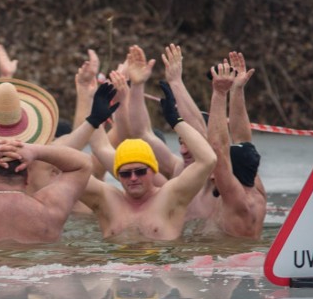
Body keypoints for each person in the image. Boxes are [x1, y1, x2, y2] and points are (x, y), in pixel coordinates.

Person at [77, 82, 216, 241]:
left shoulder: (171, 196)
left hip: (161, 264)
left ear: (153, 171)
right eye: (125, 174)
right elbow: (68, 167)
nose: (133, 178)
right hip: (115, 264)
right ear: (117, 175)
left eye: (140, 171)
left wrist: (176, 121)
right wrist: (91, 117)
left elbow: (208, 159)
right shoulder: (106, 199)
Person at [164, 47, 267, 239]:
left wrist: (220, 93)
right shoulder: (256, 189)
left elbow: (217, 149)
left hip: (228, 262)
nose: (214, 175)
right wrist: (237, 90)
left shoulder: (235, 198)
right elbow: (242, 138)